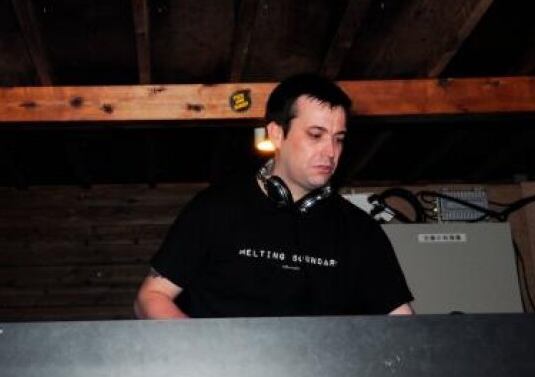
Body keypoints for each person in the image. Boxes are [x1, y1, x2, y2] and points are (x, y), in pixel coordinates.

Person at [134, 73, 414, 319]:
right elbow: (151, 297)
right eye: (316, 135)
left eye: (338, 138)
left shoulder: (360, 231)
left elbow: (403, 322)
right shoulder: (216, 208)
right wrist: (203, 353)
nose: (331, 152)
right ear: (277, 134)